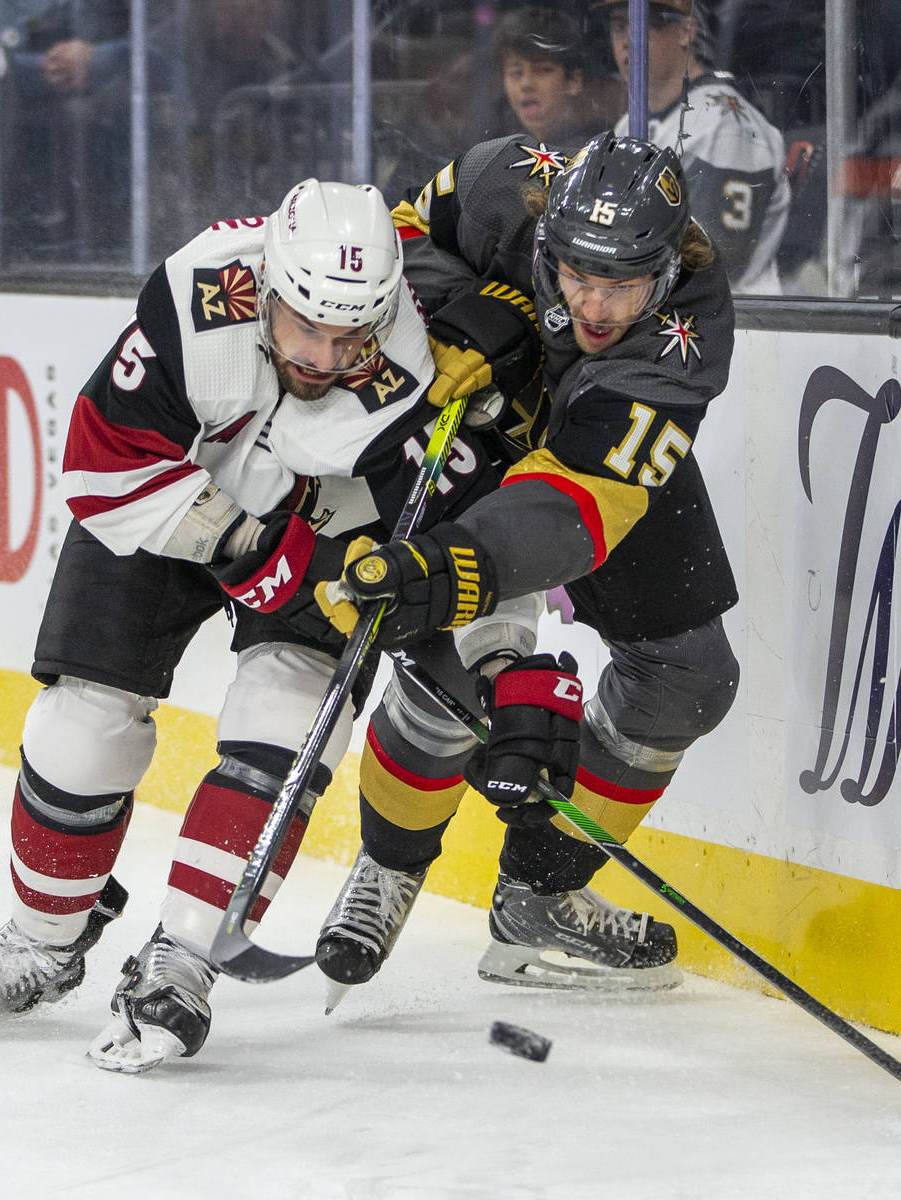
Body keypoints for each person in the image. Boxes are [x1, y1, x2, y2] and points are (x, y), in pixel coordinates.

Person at [0, 178, 500, 1073]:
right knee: (81, 726)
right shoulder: (201, 291)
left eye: (352, 337)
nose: (326, 354)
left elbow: (432, 527)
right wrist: (239, 542)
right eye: (307, 326)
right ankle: (43, 940)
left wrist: (472, 645)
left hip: (321, 529)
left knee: (287, 723)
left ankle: (185, 958)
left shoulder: (411, 367)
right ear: (266, 286)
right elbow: (101, 462)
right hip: (166, 502)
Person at [299, 131, 740, 1002]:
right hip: (468, 424)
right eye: (579, 276)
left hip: (583, 456)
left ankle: (543, 894)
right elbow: (388, 248)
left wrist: (460, 564)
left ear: (667, 263)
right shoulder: (507, 182)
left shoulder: (687, 333)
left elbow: (577, 500)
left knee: (689, 676)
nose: (599, 306)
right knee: (453, 666)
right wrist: (475, 304)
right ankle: (388, 868)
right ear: (548, 240)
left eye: (623, 285)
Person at [593, 0, 789, 293]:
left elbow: (714, 264)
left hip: (736, 325)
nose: (627, 40)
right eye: (619, 26)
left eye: (644, 24)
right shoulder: (628, 125)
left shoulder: (726, 124)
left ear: (686, 31)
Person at [494, 6, 594, 146]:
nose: (526, 83)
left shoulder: (594, 149)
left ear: (574, 80)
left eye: (542, 70)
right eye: (516, 73)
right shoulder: (498, 148)